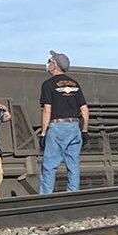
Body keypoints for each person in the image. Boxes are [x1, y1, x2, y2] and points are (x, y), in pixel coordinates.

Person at [38, 50, 89, 194]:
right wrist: (84, 131)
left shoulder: (48, 84)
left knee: (49, 165)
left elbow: (47, 110)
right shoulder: (75, 84)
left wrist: (43, 133)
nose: (48, 64)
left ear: (54, 65)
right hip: (74, 127)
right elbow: (84, 110)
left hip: (57, 127)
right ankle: (73, 196)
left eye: (49, 61)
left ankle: (45, 198)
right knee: (73, 165)